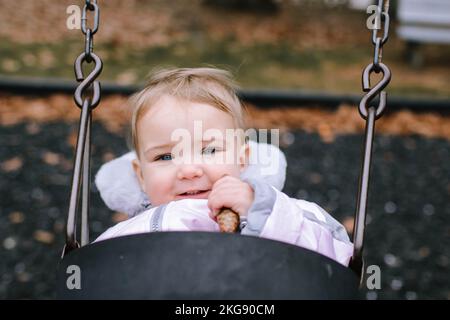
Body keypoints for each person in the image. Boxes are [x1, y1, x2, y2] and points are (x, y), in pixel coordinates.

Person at [94, 67, 353, 266]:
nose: (188, 170)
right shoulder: (124, 236)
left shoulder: (280, 211)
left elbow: (338, 259)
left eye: (209, 150)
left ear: (243, 158)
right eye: (165, 157)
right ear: (140, 175)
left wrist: (261, 211)